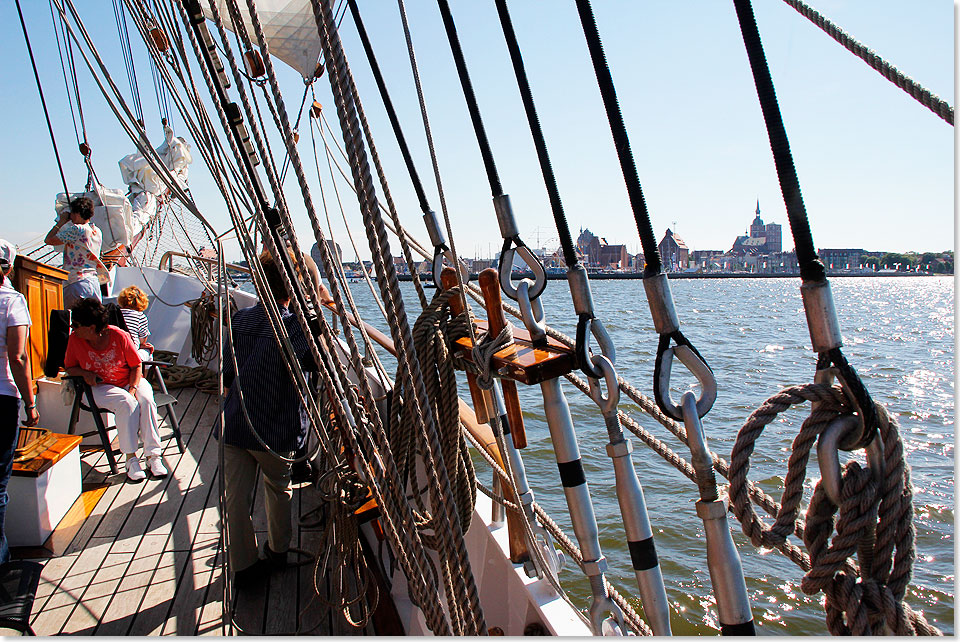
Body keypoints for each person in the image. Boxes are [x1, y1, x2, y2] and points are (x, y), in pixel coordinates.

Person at [221, 249, 329, 585]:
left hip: (235, 423)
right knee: (278, 489)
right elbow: (316, 366)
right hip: (273, 430)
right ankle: (278, 551)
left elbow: (228, 370)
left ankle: (243, 568)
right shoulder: (297, 327)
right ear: (295, 287)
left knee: (236, 500)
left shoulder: (240, 320)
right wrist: (314, 312)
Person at [64, 297, 167, 482]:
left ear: (91, 327)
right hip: (98, 386)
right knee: (126, 402)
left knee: (146, 400)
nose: (73, 328)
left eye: (76, 324)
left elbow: (136, 365)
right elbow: (69, 367)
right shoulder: (75, 340)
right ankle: (131, 458)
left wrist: (133, 388)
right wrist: (84, 374)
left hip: (128, 380)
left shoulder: (119, 335)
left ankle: (153, 456)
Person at [0, 240, 39, 564]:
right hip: (2, 397)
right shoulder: (11, 301)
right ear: (9, 269)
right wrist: (30, 404)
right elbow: (18, 356)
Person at [44, 196, 104, 310]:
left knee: (74, 320)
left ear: (77, 213)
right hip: (93, 281)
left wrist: (61, 222)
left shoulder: (77, 229)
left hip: (76, 281)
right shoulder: (97, 231)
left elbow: (49, 240)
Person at [117, 285, 153, 361]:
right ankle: (145, 372)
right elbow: (143, 340)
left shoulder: (115, 313)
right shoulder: (140, 316)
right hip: (130, 353)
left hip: (115, 351)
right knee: (148, 351)